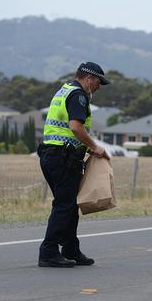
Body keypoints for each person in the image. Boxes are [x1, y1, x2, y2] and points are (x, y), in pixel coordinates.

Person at [37, 62, 111, 268]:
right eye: (98, 82)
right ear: (89, 78)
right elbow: (76, 127)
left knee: (68, 204)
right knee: (65, 205)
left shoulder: (64, 90)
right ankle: (49, 251)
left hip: (53, 155)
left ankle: (71, 249)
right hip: (62, 157)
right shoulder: (78, 95)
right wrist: (95, 147)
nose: (98, 87)